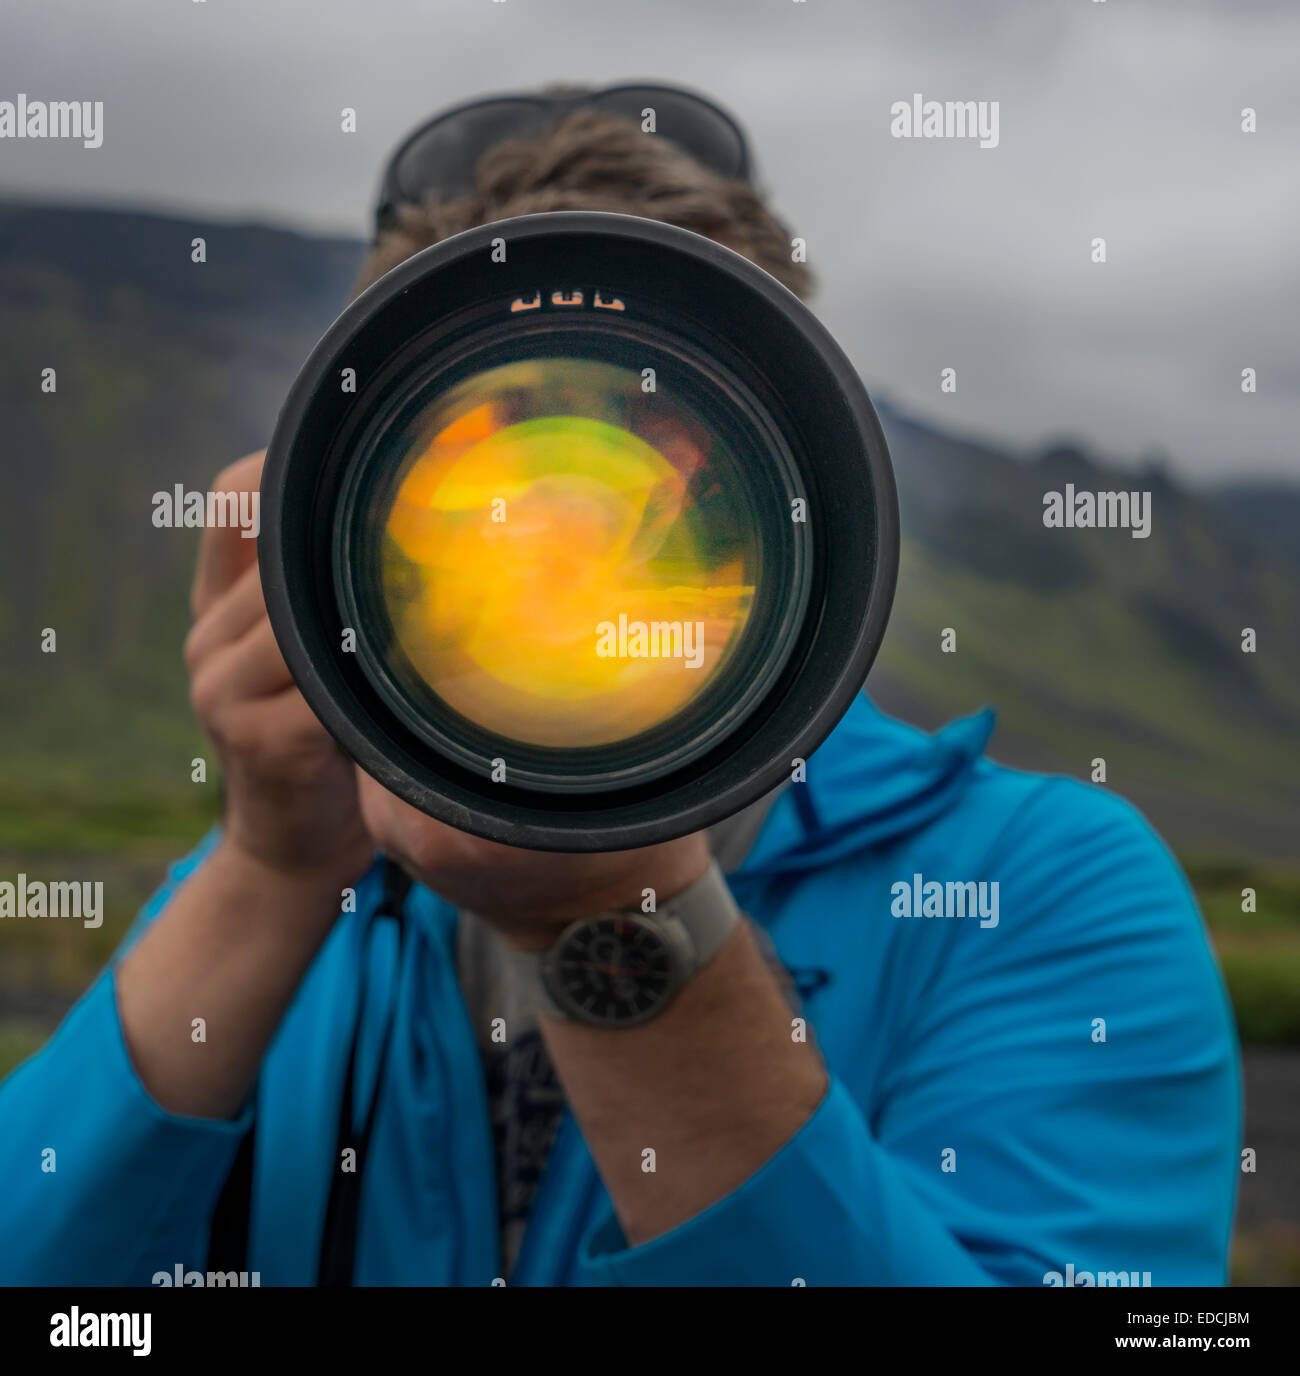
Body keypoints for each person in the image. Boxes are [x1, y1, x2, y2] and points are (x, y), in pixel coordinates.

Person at [0, 85, 1239, 1287]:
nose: (562, 557)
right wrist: (266, 869)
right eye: (475, 483)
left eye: (664, 476)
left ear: (796, 496)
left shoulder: (1029, 883)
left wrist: (612, 916)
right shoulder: (284, 892)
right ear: (341, 526)